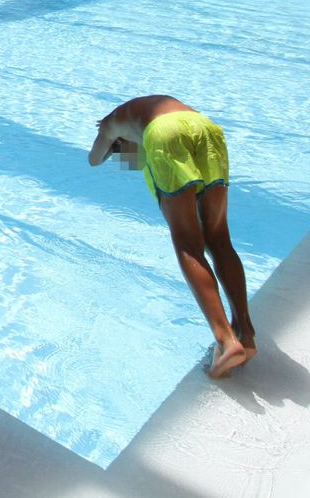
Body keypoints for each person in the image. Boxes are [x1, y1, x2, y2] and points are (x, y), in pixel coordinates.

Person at [88, 95, 255, 378]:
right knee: (219, 239)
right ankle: (246, 333)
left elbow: (93, 159)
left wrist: (107, 141)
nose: (134, 162)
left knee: (188, 245)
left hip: (166, 134)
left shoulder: (110, 124)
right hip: (205, 128)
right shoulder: (143, 110)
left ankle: (226, 341)